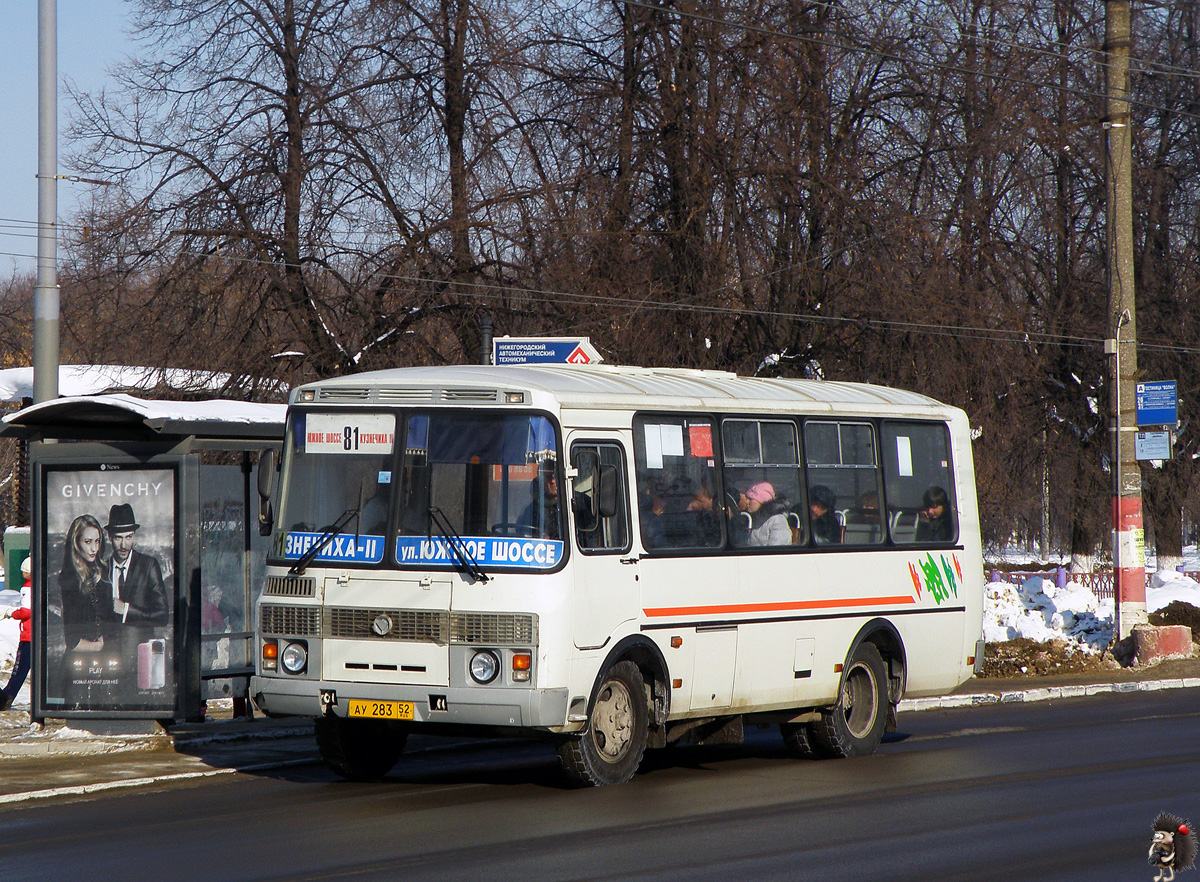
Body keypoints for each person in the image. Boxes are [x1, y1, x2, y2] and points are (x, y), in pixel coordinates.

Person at [104, 503, 170, 634]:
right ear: (109, 537)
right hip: (108, 651)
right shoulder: (102, 569)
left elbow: (162, 616)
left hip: (140, 650)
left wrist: (126, 610)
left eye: (129, 537)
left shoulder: (148, 565)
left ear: (134, 536)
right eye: (118, 538)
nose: (124, 545)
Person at [59, 513, 116, 653]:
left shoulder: (100, 573)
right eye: (88, 542)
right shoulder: (71, 579)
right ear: (76, 543)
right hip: (80, 660)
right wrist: (96, 646)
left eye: (97, 541)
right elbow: (72, 640)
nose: (94, 549)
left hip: (106, 657)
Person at [0, 556, 32, 711]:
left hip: (28, 635)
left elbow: (26, 611)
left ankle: (6, 698)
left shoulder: (27, 588)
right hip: (41, 636)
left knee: (19, 670)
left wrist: (10, 613)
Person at [737, 481, 791, 547]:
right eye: (747, 498)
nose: (747, 502)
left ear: (762, 501)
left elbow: (777, 550)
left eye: (750, 499)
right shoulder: (748, 519)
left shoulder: (777, 520)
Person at [520, 462, 562, 540]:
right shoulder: (532, 511)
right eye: (548, 477)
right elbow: (525, 534)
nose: (552, 481)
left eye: (555, 476)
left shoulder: (577, 503)